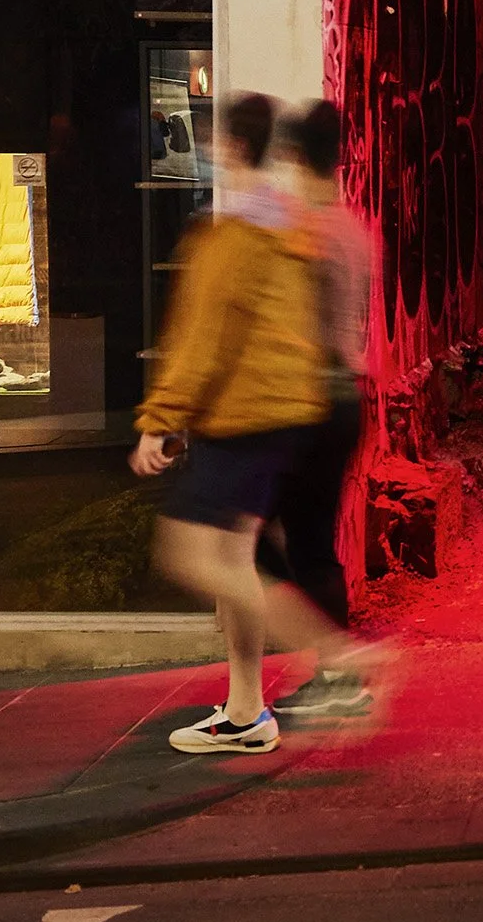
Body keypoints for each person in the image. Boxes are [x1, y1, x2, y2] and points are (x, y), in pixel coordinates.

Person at [129, 91, 339, 756]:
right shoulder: (289, 226)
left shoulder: (230, 235)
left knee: (187, 552)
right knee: (233, 557)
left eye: (215, 141)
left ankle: (338, 656)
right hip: (276, 414)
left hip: (241, 417)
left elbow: (198, 338)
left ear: (230, 146)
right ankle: (246, 710)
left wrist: (159, 420)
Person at [261, 98, 377, 723]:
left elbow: (292, 332)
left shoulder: (304, 235)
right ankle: (334, 669)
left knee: (260, 541)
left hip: (308, 403)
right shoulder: (356, 228)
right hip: (347, 400)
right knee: (312, 544)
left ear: (293, 156)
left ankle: (336, 668)